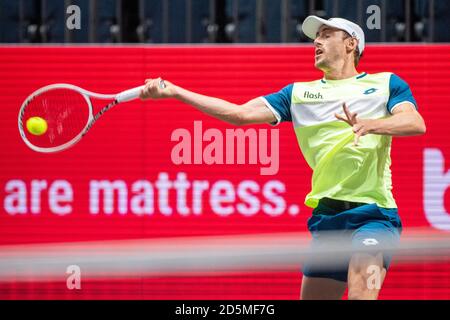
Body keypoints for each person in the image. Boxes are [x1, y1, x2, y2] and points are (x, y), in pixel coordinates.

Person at [139, 16, 426, 300]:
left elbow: (415, 123)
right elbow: (239, 114)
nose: (316, 41)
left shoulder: (386, 84)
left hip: (374, 217)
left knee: (362, 289)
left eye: (327, 35)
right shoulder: (298, 94)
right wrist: (176, 92)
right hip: (327, 218)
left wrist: (370, 124)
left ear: (351, 43)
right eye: (317, 36)